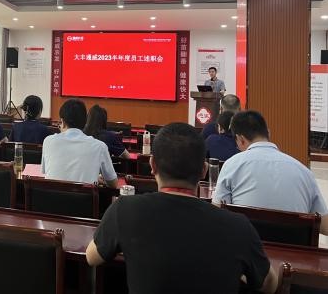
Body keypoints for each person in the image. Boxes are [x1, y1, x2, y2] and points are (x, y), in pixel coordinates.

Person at [86, 122, 277, 294]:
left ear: (152, 165)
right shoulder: (238, 227)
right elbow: (269, 285)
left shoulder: (124, 210)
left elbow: (92, 257)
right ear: (203, 170)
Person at [213, 110, 328, 234]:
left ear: (240, 139)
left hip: (246, 245)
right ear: (268, 133)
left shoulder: (231, 165)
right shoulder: (304, 172)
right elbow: (325, 226)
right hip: (292, 245)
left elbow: (217, 215)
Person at [41, 99, 118, 188]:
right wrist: (92, 176)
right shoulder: (100, 146)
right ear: (85, 122)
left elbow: (47, 171)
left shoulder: (48, 141)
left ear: (63, 122)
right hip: (85, 197)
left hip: (51, 196)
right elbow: (113, 184)